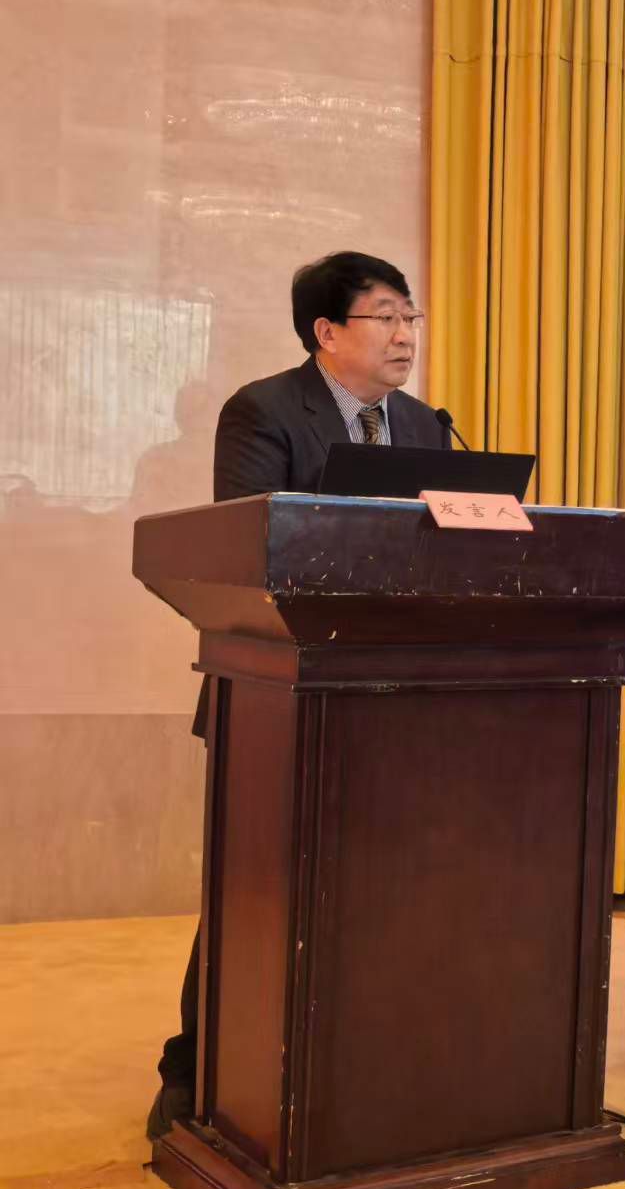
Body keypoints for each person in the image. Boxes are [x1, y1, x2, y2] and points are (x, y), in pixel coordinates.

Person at [147, 251, 448, 1143]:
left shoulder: (426, 426)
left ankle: (362, 1062)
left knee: (386, 892)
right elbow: (253, 546)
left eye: (410, 317)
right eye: (385, 316)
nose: (405, 335)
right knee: (257, 887)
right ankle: (196, 1071)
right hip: (278, 695)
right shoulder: (266, 411)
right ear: (326, 331)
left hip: (402, 701)